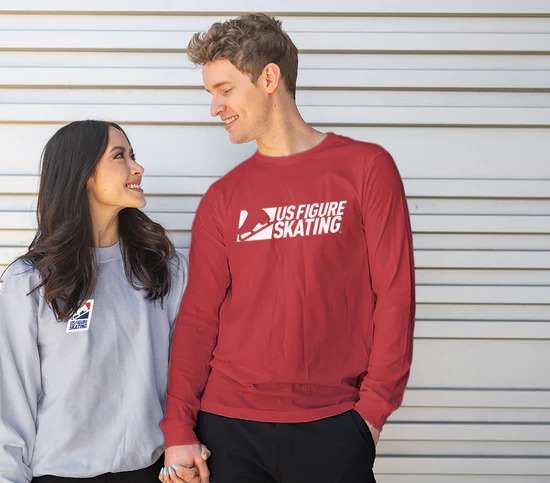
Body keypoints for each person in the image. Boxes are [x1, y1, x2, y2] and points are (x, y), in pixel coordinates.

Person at [159, 13, 415, 483]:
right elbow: (198, 320)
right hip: (229, 427)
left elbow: (395, 297)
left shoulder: (366, 169)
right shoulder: (222, 199)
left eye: (225, 89)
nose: (215, 107)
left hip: (335, 424)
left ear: (269, 77)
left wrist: (372, 415)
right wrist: (178, 426)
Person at [0, 120, 190, 483]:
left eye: (133, 156)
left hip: (150, 472)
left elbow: (186, 375)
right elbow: (12, 397)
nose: (137, 167)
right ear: (84, 175)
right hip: (58, 474)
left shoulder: (163, 267)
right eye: (119, 156)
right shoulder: (30, 280)